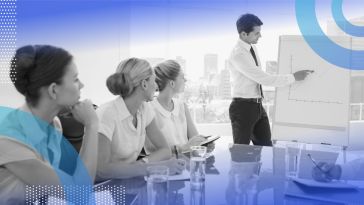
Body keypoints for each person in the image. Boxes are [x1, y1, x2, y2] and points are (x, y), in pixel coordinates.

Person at [0, 45, 99, 204]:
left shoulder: (53, 124)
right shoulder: (8, 137)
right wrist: (92, 125)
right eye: (75, 79)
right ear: (53, 90)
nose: (81, 85)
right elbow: (79, 192)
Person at [229, 13, 313, 146]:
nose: (260, 36)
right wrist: (293, 77)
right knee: (241, 153)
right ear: (243, 34)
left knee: (266, 146)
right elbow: (263, 78)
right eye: (256, 33)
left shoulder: (252, 48)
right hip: (243, 108)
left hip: (257, 106)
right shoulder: (238, 54)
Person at [96, 58, 185, 180]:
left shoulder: (144, 109)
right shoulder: (106, 114)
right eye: (154, 81)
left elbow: (165, 150)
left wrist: (140, 165)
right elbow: (101, 170)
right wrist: (154, 168)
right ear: (144, 84)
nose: (156, 87)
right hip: (102, 190)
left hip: (128, 182)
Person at [145, 60, 210, 154]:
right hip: (163, 166)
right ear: (172, 83)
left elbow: (194, 140)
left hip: (186, 164)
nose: (185, 80)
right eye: (182, 77)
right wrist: (185, 147)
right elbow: (155, 151)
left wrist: (203, 146)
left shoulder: (182, 106)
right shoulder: (149, 109)